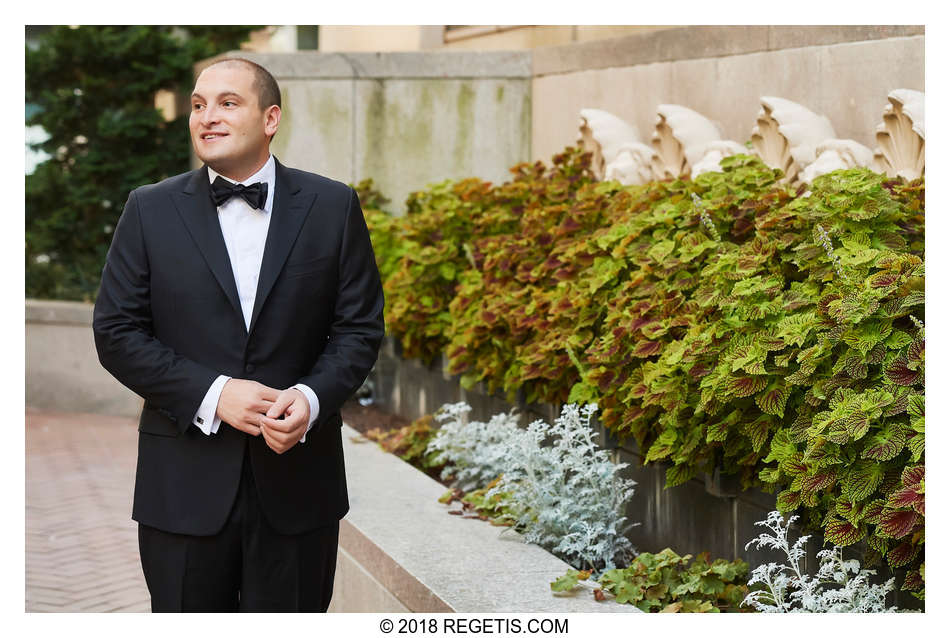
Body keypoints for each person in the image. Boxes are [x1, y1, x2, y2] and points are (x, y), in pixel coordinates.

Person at [93, 57, 384, 612]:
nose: (208, 117)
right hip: (182, 487)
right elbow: (116, 332)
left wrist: (310, 398)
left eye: (228, 103)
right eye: (199, 105)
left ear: (270, 118)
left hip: (299, 485)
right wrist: (215, 394)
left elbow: (359, 328)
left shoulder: (332, 205)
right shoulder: (148, 209)